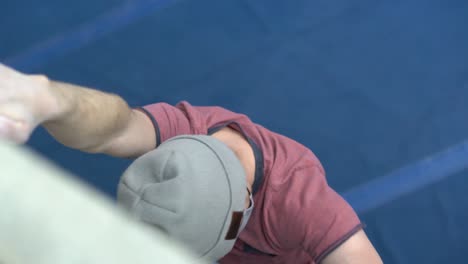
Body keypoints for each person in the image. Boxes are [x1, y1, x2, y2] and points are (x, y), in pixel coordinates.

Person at [0, 63, 383, 263]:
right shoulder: (187, 135)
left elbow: (356, 256)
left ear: (244, 208)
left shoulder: (295, 195)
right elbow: (113, 129)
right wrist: (49, 101)